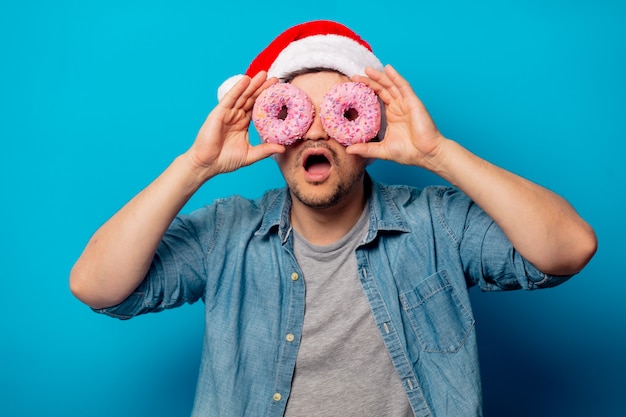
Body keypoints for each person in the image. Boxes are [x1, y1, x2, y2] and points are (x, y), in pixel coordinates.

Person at [70, 20, 597, 417]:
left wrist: (438, 153)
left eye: (340, 113)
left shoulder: (437, 224)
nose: (316, 133)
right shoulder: (227, 235)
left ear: (371, 134)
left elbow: (570, 247)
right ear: (272, 135)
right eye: (296, 113)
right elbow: (96, 286)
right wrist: (194, 167)